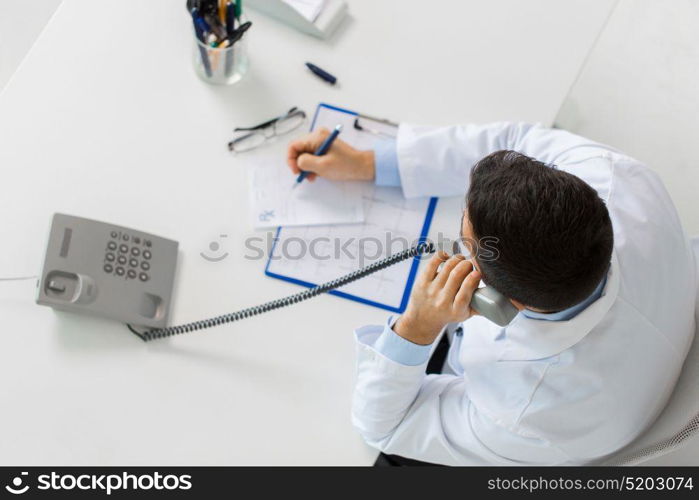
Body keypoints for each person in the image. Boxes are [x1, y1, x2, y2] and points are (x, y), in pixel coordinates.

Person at [286, 122, 696, 465]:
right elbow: (515, 139)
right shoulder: (617, 177)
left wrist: (418, 326)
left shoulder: (529, 411)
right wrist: (372, 162)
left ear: (497, 298)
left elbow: (383, 426)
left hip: (579, 421)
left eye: (464, 237)